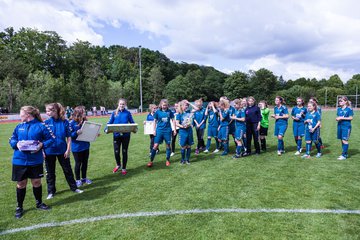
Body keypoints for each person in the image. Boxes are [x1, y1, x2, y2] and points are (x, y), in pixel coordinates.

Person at [9, 106, 55, 218]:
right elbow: (12, 139)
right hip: (19, 161)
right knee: (21, 184)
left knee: (36, 182)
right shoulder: (19, 126)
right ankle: (19, 207)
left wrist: (42, 145)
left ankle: (39, 203)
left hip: (35, 161)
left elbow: (52, 138)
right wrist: (16, 144)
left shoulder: (41, 126)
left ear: (28, 114)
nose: (20, 116)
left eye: (21, 113)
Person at [44, 103, 83, 200]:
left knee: (68, 170)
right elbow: (42, 138)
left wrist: (68, 149)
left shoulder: (65, 122)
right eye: (46, 111)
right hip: (49, 152)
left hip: (63, 151)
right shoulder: (46, 123)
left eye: (49, 110)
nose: (47, 112)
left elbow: (69, 137)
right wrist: (43, 151)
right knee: (50, 172)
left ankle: (74, 188)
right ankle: (51, 191)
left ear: (55, 110)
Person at [106, 98, 135, 175]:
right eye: (120, 104)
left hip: (126, 136)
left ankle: (124, 168)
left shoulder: (128, 113)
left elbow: (132, 123)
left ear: (125, 105)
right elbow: (109, 123)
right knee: (116, 152)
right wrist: (106, 129)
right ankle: (118, 164)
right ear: (118, 104)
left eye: (123, 104)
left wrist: (134, 128)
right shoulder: (114, 113)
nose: (121, 105)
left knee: (124, 151)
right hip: (116, 136)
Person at [147, 99, 176, 167]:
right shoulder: (157, 112)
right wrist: (154, 130)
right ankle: (151, 161)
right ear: (160, 105)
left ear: (167, 105)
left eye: (165, 105)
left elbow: (173, 120)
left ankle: (167, 160)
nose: (164, 106)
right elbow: (154, 121)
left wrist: (174, 130)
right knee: (155, 145)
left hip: (167, 131)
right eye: (163, 105)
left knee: (168, 145)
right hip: (159, 130)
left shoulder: (170, 112)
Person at [69, 106, 93, 187]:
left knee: (85, 163)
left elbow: (88, 132)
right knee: (78, 164)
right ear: (78, 113)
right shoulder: (72, 123)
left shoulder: (85, 121)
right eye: (83, 112)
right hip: (77, 148)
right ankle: (78, 180)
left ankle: (84, 178)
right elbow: (69, 135)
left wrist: (94, 133)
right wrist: (76, 133)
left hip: (85, 146)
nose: (85, 113)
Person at [176, 100, 194, 164]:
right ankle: (182, 159)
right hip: (183, 132)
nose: (186, 106)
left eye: (187, 105)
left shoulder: (189, 112)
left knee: (189, 146)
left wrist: (189, 102)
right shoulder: (179, 114)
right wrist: (183, 126)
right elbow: (177, 124)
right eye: (184, 105)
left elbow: (196, 108)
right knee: (183, 146)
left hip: (189, 131)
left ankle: (187, 159)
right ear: (181, 106)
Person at [336, 96, 354, 160]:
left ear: (345, 102)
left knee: (345, 140)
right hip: (340, 126)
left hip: (346, 127)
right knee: (342, 140)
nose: (339, 102)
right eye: (339, 101)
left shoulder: (349, 109)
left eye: (341, 101)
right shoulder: (339, 109)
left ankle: (343, 155)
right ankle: (345, 153)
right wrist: (338, 118)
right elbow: (339, 116)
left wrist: (341, 118)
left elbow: (351, 118)